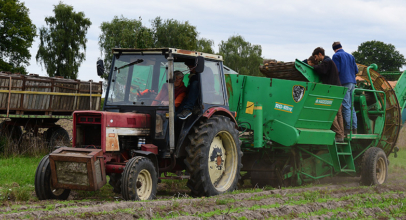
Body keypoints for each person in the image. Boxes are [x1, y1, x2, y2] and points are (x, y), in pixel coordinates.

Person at [312, 47, 345, 142]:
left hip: (333, 91)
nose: (315, 59)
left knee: (330, 113)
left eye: (315, 57)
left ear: (319, 54)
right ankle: (341, 135)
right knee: (339, 114)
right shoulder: (329, 61)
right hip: (338, 90)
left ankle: (338, 134)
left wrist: (313, 67)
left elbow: (322, 70)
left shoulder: (326, 62)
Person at [332, 42, 358, 135]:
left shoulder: (336, 56)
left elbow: (336, 70)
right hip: (353, 83)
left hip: (344, 83)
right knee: (352, 106)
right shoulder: (351, 56)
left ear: (334, 49)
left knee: (346, 106)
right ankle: (354, 128)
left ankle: (348, 129)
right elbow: (356, 70)